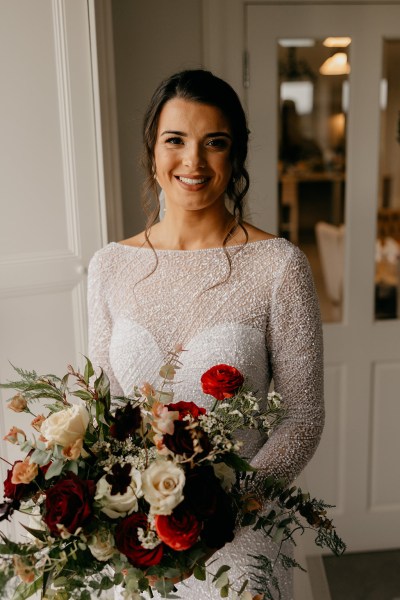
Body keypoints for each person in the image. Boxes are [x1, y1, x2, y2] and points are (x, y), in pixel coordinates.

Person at [87, 69, 324, 600]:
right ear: (153, 149)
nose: (193, 161)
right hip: (138, 537)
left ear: (235, 156)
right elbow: (104, 408)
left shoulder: (279, 266)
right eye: (176, 140)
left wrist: (221, 507)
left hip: (241, 535)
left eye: (213, 143)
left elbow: (302, 419)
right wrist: (131, 509)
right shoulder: (109, 266)